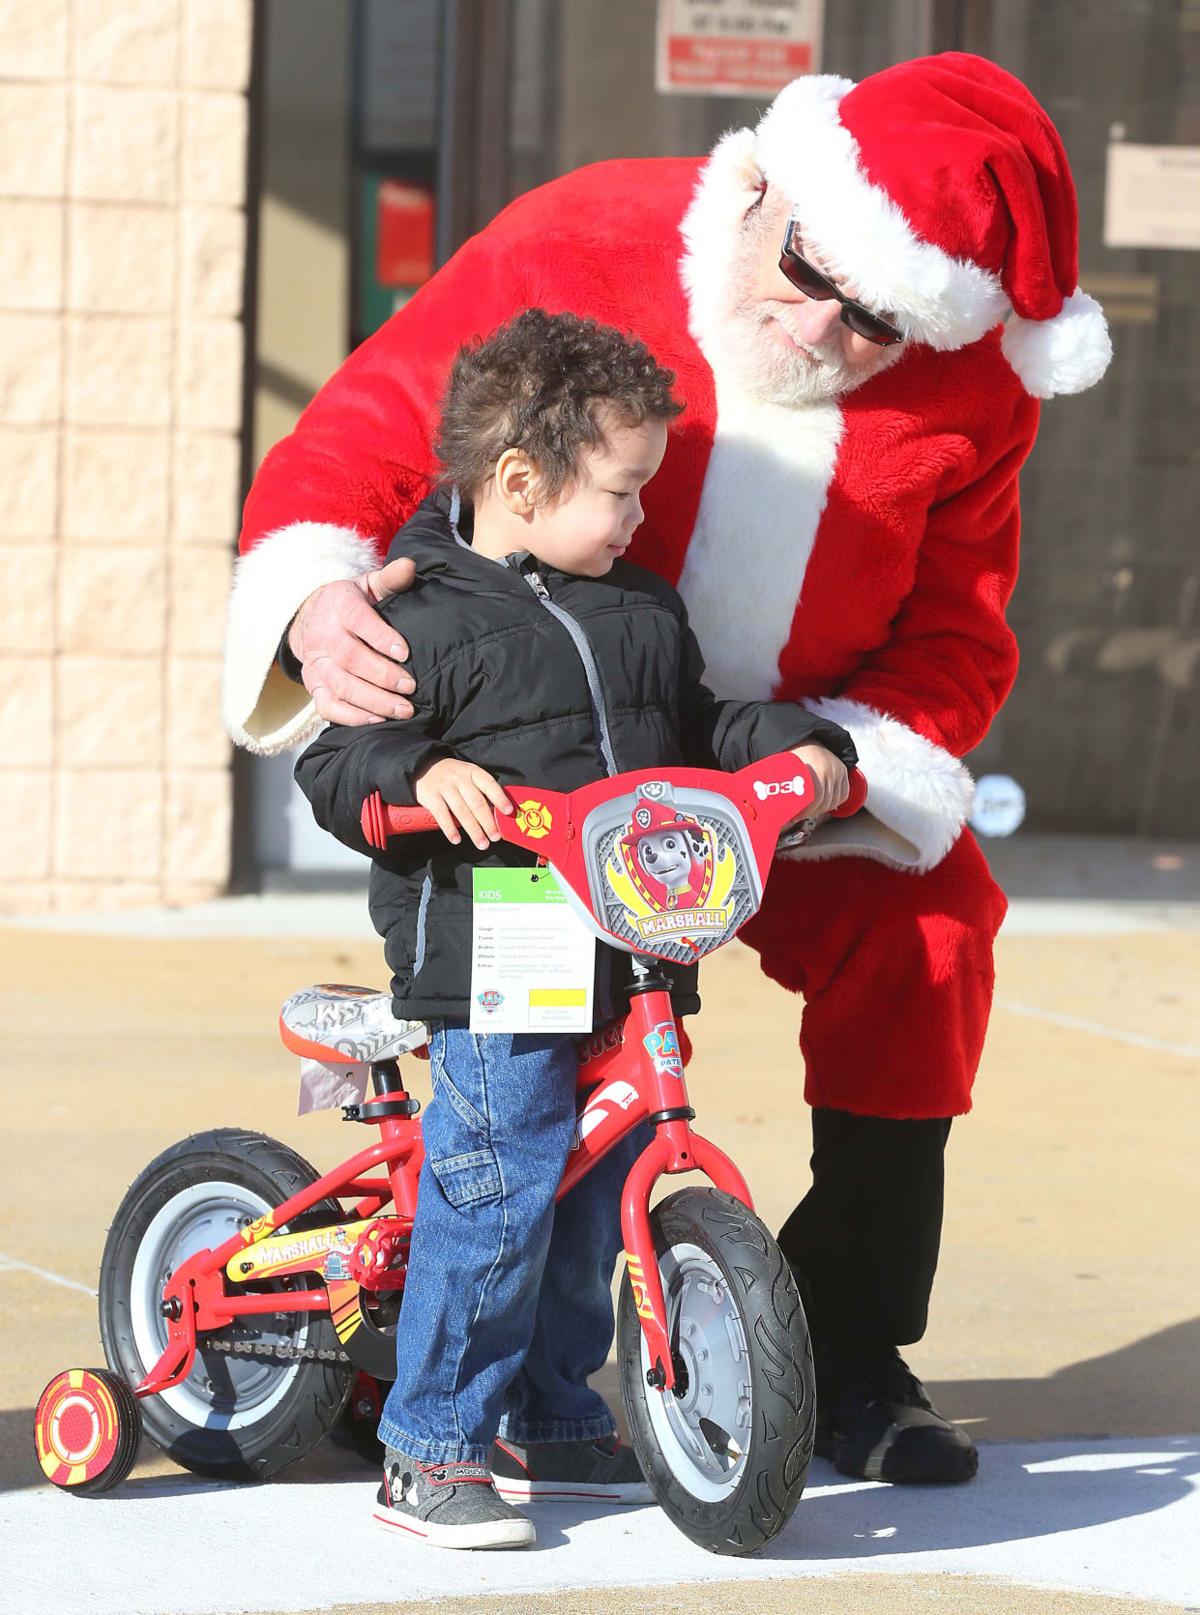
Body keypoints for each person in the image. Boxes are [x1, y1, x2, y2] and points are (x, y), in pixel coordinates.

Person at [223, 53, 1112, 1486]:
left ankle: (847, 1341)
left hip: (764, 776)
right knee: (515, 1104)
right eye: (810, 268)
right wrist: (316, 593)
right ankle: (439, 1378)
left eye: (874, 318)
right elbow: (377, 418)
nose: (817, 322)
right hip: (531, 779)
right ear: (774, 182)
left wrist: (845, 763)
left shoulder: (977, 392)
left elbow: (959, 634)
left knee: (933, 928)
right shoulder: (586, 236)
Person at [294, 309, 858, 1549]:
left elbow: (700, 729)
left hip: (637, 941)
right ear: (518, 483)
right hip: (503, 958)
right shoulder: (420, 613)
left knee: (595, 1195)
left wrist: (805, 753)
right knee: (499, 1192)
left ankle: (548, 1415)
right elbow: (341, 760)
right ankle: (431, 1443)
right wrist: (416, 780)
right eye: (624, 490)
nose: (644, 516)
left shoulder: (640, 607)